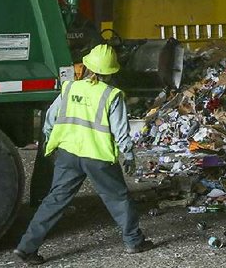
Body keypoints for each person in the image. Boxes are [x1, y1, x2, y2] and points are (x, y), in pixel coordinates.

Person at [13, 44, 153, 265]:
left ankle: (26, 247)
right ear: (111, 72)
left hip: (68, 154)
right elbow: (120, 130)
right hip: (97, 157)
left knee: (54, 201)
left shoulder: (70, 88)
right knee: (118, 198)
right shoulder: (111, 95)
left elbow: (50, 118)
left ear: (87, 66)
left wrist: (51, 143)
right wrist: (128, 155)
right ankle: (134, 242)